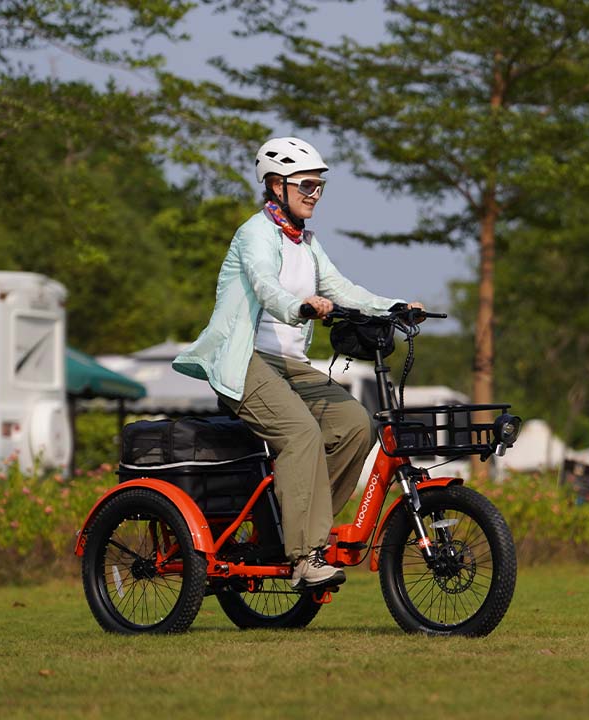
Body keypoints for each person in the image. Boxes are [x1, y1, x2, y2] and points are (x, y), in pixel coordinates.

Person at [172, 136, 422, 590]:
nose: (314, 194)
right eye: (305, 184)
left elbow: (343, 289)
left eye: (319, 186)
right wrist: (300, 307)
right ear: (275, 185)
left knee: (356, 425)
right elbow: (266, 286)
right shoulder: (255, 234)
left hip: (289, 364)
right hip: (242, 360)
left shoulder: (306, 243)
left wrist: (396, 305)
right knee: (301, 434)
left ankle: (295, 525)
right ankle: (304, 555)